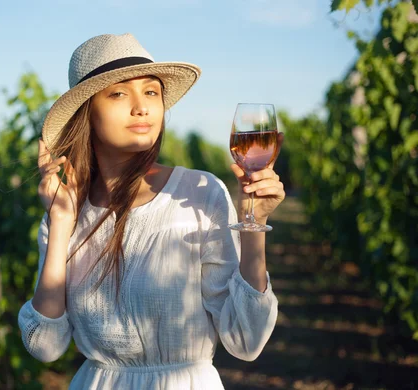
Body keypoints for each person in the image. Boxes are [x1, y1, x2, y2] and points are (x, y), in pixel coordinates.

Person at [18, 33, 285, 389]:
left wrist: (256, 226)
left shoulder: (198, 194)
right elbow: (46, 346)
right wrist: (61, 222)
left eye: (151, 92)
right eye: (118, 93)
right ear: (87, 113)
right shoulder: (65, 211)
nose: (141, 106)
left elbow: (246, 340)